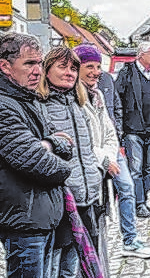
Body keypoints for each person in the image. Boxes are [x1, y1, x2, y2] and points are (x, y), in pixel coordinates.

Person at [0, 33, 72, 278]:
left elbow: (66, 143)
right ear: (5, 66)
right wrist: (65, 169)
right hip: (23, 222)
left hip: (42, 216)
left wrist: (48, 144)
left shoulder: (28, 100)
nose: (37, 71)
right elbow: (34, 161)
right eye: (29, 63)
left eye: (40, 63)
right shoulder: (4, 105)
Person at [76, 45, 150, 260]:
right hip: (91, 157)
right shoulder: (73, 96)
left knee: (128, 188)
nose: (95, 71)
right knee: (98, 204)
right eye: (89, 66)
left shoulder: (100, 90)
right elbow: (80, 139)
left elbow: (111, 121)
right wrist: (103, 158)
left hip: (110, 151)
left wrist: (112, 152)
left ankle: (129, 239)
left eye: (98, 66)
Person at [37, 47, 104, 277]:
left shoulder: (78, 103)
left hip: (86, 196)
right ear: (47, 71)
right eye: (62, 67)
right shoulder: (40, 104)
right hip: (60, 199)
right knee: (55, 263)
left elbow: (89, 147)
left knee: (75, 264)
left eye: (73, 68)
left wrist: (97, 173)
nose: (69, 73)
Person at [115, 41, 150, 218]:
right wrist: (120, 128)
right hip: (133, 129)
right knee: (135, 168)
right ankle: (138, 203)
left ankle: (143, 199)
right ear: (141, 55)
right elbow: (117, 98)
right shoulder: (127, 73)